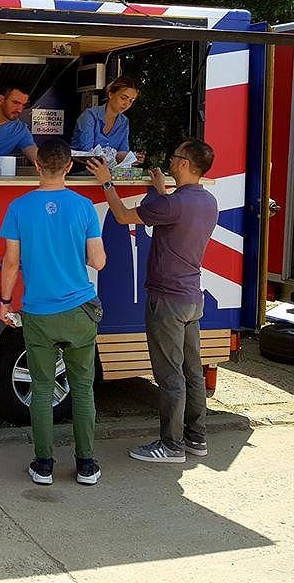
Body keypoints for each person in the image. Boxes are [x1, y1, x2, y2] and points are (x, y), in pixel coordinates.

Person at [86, 138, 218, 463]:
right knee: (192, 371)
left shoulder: (173, 205)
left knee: (169, 375)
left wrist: (106, 182)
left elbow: (121, 216)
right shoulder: (207, 201)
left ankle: (171, 446)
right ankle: (196, 438)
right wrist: (161, 191)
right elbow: (173, 214)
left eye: (174, 156)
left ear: (185, 163)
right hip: (191, 297)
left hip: (167, 300)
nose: (170, 161)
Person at [0, 138, 107, 486]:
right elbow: (98, 261)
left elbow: (11, 262)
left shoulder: (19, 207)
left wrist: (5, 302)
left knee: (43, 389)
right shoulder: (84, 207)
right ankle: (86, 465)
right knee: (83, 389)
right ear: (69, 167)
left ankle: (43, 465)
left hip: (39, 313)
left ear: (37, 165)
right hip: (79, 311)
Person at [71, 77, 144, 164]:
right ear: (111, 94)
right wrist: (117, 157)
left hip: (107, 171)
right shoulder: (90, 116)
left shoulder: (124, 122)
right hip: (80, 169)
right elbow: (87, 153)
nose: (127, 104)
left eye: (131, 101)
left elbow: (122, 152)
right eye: (123, 98)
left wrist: (132, 157)